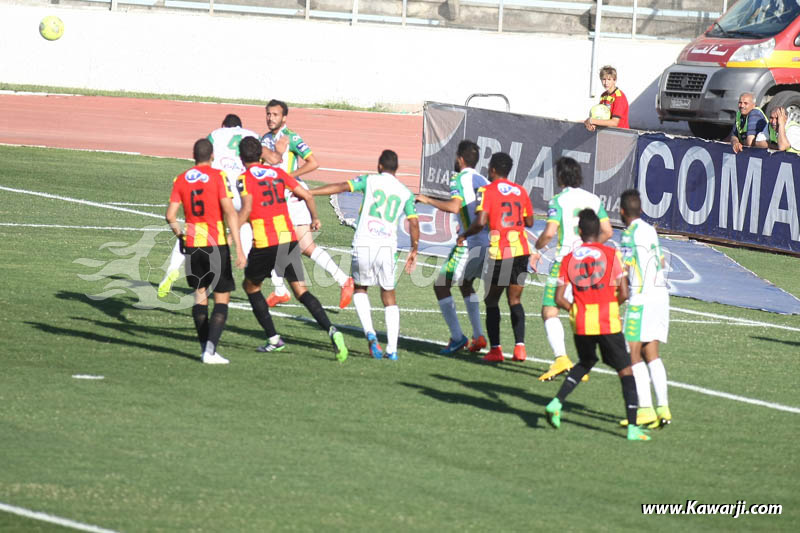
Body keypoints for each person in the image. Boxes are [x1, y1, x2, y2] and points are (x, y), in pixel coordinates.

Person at [237, 137, 348, 362]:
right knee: (301, 291)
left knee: (250, 286)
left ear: (241, 157)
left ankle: (274, 339)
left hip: (265, 242)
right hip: (287, 239)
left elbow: (246, 208)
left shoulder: (243, 179)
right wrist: (315, 217)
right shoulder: (278, 173)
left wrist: (234, 234)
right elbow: (307, 194)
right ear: (261, 155)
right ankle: (332, 330)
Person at [544, 209, 651, 442]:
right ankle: (633, 428)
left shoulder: (569, 258)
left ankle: (556, 402)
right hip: (606, 320)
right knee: (625, 371)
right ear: (599, 231)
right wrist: (610, 305)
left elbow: (559, 297)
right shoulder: (611, 254)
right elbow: (624, 292)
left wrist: (574, 308)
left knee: (586, 361)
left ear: (579, 231)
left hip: (581, 321)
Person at [310, 150, 420, 360]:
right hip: (387, 247)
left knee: (361, 289)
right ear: (396, 170)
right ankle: (393, 349)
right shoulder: (405, 192)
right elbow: (413, 222)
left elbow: (342, 187)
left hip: (364, 243)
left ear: (379, 166)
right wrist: (414, 248)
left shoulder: (370, 180)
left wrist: (313, 193)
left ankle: (370, 335)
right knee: (389, 295)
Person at [259, 99, 354, 309]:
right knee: (303, 246)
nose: (270, 118)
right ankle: (343, 280)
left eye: (275, 115)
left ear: (284, 117)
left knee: (277, 242)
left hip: (292, 199)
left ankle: (281, 290)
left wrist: (289, 177)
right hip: (277, 199)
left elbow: (314, 162)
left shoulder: (291, 138)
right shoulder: (264, 139)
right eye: (268, 114)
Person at [164, 138, 247, 364]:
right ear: (212, 156)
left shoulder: (181, 179)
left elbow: (170, 216)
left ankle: (205, 349)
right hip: (215, 244)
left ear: (194, 156)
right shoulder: (218, 177)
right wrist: (238, 246)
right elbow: (230, 211)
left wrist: (180, 236)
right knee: (222, 298)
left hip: (192, 244)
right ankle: (210, 351)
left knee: (200, 296)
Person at [158, 113, 258, 298]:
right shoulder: (252, 134)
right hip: (243, 187)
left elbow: (204, 153)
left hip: (218, 184)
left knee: (194, 229)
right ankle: (274, 282)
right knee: (249, 226)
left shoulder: (216, 133)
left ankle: (172, 270)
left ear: (223, 125)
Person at [533, 157, 614, 382]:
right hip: (589, 264)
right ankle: (583, 362)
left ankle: (561, 359)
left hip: (565, 262)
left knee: (550, 310)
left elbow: (549, 233)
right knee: (577, 308)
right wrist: (590, 247)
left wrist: (536, 248)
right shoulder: (593, 199)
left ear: (560, 177)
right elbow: (607, 231)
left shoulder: (558, 200)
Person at [457, 152, 533, 363]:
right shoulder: (520, 190)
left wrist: (465, 233)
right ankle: (520, 348)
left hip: (500, 252)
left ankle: (496, 350)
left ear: (492, 170)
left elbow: (480, 221)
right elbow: (530, 222)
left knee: (492, 300)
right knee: (515, 299)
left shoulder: (486, 190)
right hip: (521, 250)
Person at [416, 140, 489, 355]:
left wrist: (428, 200)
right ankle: (478, 337)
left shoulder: (459, 178)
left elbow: (455, 206)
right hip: (487, 240)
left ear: (460, 158)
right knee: (466, 284)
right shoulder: (483, 180)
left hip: (467, 243)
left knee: (441, 285)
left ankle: (458, 338)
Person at [619, 190, 671, 429]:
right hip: (661, 296)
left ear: (621, 212)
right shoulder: (650, 229)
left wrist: (616, 300)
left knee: (632, 354)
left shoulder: (628, 235)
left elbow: (623, 273)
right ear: (640, 210)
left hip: (641, 299)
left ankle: (646, 410)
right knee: (652, 354)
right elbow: (660, 261)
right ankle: (663, 408)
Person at [584, 65, 629, 131]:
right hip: (606, 132)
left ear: (614, 80)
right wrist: (593, 125)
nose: (606, 83)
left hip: (621, 134)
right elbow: (601, 117)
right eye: (604, 79)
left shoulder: (619, 97)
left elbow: (614, 123)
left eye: (609, 79)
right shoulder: (603, 95)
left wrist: (592, 121)